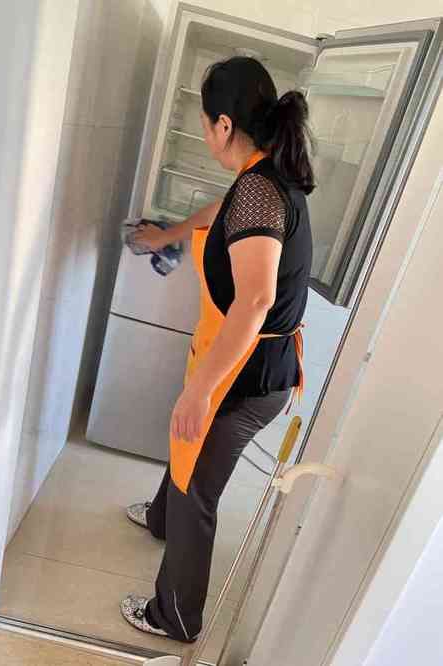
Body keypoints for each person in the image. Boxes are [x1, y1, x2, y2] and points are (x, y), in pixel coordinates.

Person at [120, 55, 314, 643]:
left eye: (205, 122)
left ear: (224, 125)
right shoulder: (261, 176)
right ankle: (161, 518)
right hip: (243, 365)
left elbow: (255, 301)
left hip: (248, 379)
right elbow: (220, 214)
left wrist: (202, 390)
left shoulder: (260, 188)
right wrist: (169, 234)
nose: (204, 133)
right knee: (187, 448)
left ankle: (175, 617)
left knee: (197, 488)